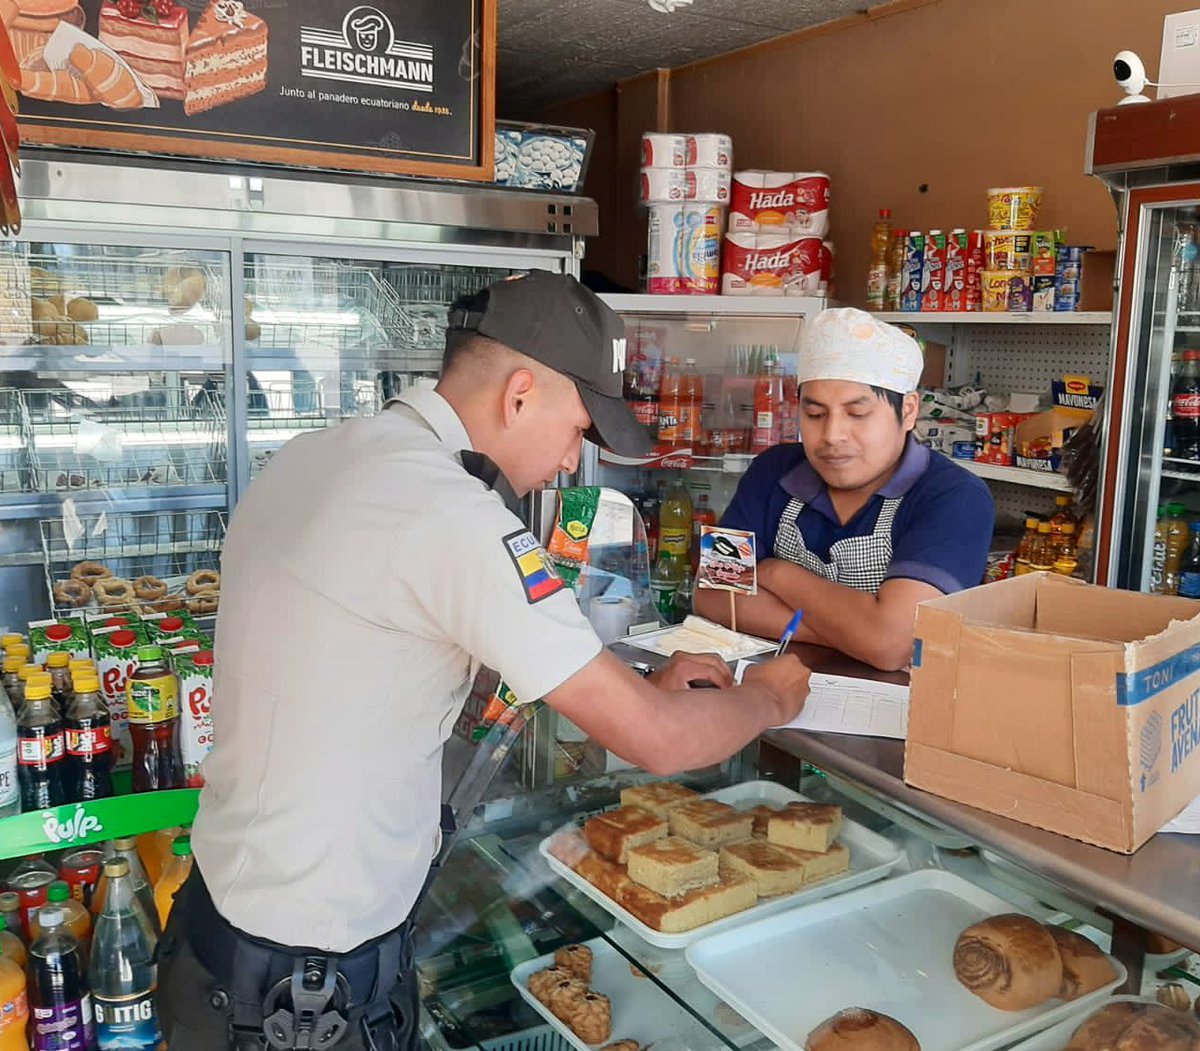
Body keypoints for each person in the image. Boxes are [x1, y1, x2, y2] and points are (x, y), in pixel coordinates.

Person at [157, 271, 810, 1051]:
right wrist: (770, 695)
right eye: (577, 429)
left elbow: (392, 660)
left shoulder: (318, 455)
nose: (572, 462)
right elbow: (659, 741)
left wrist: (633, 683)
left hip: (221, 942)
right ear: (521, 393)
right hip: (300, 996)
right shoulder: (450, 511)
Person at [694, 307, 994, 671]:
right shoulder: (773, 471)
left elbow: (892, 644)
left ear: (909, 411)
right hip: (770, 691)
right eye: (816, 414)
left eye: (857, 414)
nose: (832, 435)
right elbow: (711, 594)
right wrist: (857, 631)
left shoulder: (954, 498)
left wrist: (776, 573)